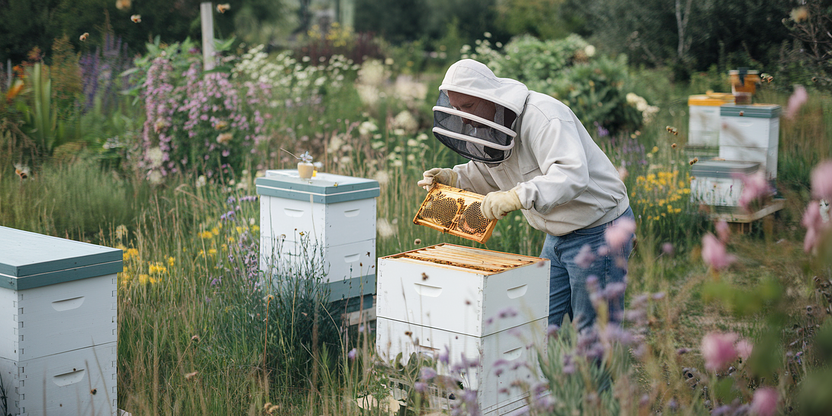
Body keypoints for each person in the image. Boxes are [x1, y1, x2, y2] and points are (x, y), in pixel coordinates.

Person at [418, 59, 635, 332]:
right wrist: (453, 178)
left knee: (594, 332)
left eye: (468, 107)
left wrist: (517, 197)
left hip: (599, 229)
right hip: (556, 235)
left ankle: (597, 376)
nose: (462, 117)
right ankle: (554, 376)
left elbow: (571, 174)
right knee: (542, 325)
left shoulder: (544, 116)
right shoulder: (489, 125)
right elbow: (489, 173)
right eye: (456, 108)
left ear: (489, 97)